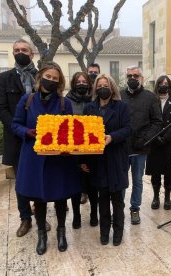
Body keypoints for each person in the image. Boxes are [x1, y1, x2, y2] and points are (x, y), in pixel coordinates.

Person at [12, 62, 81, 255]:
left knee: (60, 197)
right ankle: (41, 234)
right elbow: (15, 124)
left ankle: (61, 233)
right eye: (48, 76)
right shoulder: (27, 99)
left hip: (58, 159)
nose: (50, 80)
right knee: (39, 199)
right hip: (33, 158)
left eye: (55, 78)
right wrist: (27, 131)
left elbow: (69, 128)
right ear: (40, 76)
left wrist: (68, 147)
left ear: (59, 82)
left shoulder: (63, 103)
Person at [0, 39, 50, 237]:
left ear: (32, 53)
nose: (20, 52)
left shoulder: (42, 77)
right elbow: (0, 108)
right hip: (17, 139)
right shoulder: (4, 78)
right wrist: (19, 128)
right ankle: (25, 218)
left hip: (42, 138)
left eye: (24, 50)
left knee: (41, 177)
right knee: (21, 181)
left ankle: (41, 216)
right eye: (16, 50)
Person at [83, 74, 131, 246]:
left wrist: (112, 137)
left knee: (118, 201)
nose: (103, 88)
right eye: (100, 85)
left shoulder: (121, 107)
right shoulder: (89, 108)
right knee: (102, 200)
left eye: (106, 85)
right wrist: (83, 160)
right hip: (97, 161)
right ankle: (104, 233)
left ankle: (118, 232)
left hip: (116, 158)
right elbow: (83, 134)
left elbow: (127, 128)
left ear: (112, 88)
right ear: (95, 88)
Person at [121, 65, 162, 225]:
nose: (132, 79)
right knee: (122, 179)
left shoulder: (151, 97)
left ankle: (135, 209)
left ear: (141, 78)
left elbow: (157, 122)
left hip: (140, 147)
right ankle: (119, 209)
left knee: (137, 180)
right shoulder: (119, 96)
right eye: (130, 76)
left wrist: (145, 139)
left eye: (136, 76)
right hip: (122, 147)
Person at [66, 72, 98, 228]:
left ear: (89, 84)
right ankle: (76, 216)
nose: (81, 84)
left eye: (84, 81)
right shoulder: (66, 100)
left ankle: (93, 214)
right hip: (73, 149)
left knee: (92, 185)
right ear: (73, 83)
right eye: (78, 81)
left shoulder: (94, 100)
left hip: (91, 149)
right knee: (75, 185)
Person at [145, 75, 171, 210]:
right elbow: (147, 121)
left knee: (168, 172)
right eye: (161, 83)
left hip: (169, 142)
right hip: (154, 142)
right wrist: (155, 137)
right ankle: (156, 197)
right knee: (155, 171)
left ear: (170, 85)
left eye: (166, 83)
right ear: (157, 85)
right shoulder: (151, 101)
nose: (164, 85)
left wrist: (165, 138)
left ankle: (167, 197)